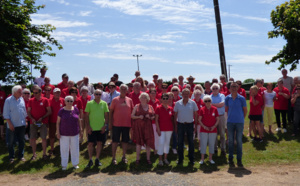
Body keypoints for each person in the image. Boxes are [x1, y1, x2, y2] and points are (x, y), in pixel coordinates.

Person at [109, 84, 134, 165]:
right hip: (116, 124)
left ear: (127, 90)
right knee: (115, 142)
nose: (123, 90)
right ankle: (113, 158)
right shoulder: (115, 100)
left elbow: (132, 111)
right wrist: (110, 123)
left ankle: (124, 156)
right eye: (122, 89)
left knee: (125, 141)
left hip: (126, 124)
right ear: (119, 90)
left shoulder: (129, 100)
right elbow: (111, 112)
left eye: (125, 89)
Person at [56, 95, 83, 170]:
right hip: (64, 133)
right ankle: (64, 165)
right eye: (68, 101)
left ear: (73, 102)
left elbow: (79, 120)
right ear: (65, 102)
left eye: (71, 101)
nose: (69, 102)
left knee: (75, 149)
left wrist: (81, 130)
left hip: (75, 133)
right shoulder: (61, 110)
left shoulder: (76, 109)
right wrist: (58, 132)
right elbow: (58, 122)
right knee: (64, 149)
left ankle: (75, 164)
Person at [225, 82, 247, 167]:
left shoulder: (242, 98)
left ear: (238, 88)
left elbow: (245, 110)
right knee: (230, 141)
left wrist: (241, 118)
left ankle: (239, 159)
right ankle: (230, 158)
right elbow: (226, 109)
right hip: (230, 122)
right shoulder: (227, 98)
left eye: (235, 86)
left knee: (239, 141)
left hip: (239, 122)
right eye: (232, 86)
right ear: (229, 88)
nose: (234, 88)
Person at [85, 89, 109, 167]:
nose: (98, 95)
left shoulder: (104, 103)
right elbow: (86, 116)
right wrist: (88, 127)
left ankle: (97, 159)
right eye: (96, 94)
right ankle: (90, 160)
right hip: (92, 128)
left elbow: (106, 115)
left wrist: (105, 125)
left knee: (99, 143)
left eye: (99, 94)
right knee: (90, 144)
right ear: (94, 95)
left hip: (101, 127)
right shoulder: (89, 103)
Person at [3, 85, 27, 163]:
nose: (21, 93)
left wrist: (25, 120)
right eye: (19, 92)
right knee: (11, 142)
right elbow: (5, 114)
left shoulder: (22, 99)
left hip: (21, 124)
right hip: (12, 125)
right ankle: (11, 157)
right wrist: (10, 124)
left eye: (21, 92)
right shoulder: (8, 100)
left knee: (22, 141)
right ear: (14, 92)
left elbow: (24, 111)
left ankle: (21, 156)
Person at [174, 88, 198, 165]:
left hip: (190, 124)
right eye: (184, 94)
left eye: (187, 94)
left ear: (189, 94)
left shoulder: (193, 103)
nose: (185, 95)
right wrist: (175, 126)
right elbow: (175, 115)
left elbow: (196, 115)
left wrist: (196, 125)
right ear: (182, 94)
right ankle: (180, 159)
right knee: (180, 142)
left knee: (191, 142)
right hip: (180, 124)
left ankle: (191, 159)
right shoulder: (177, 103)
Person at [27, 86, 51, 160]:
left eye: (36, 92)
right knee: (33, 138)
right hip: (33, 122)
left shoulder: (45, 100)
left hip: (43, 122)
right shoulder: (31, 100)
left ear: (40, 92)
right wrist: (32, 118)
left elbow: (49, 111)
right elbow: (28, 112)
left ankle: (44, 154)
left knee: (44, 138)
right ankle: (34, 154)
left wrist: (42, 118)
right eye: (33, 92)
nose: (34, 94)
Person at [131, 93, 155, 165]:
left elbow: (154, 116)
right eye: (142, 97)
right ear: (140, 98)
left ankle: (148, 159)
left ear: (147, 99)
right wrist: (138, 117)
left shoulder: (150, 107)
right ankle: (137, 159)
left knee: (148, 142)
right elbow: (132, 116)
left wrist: (150, 117)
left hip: (148, 127)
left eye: (145, 97)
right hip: (139, 127)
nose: (143, 98)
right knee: (138, 143)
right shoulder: (136, 106)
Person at [198, 95, 219, 165]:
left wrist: (214, 126)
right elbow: (199, 120)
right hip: (204, 130)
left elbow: (217, 119)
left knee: (212, 144)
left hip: (213, 130)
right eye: (206, 101)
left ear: (211, 101)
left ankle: (210, 159)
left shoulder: (215, 109)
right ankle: (202, 159)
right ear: (204, 102)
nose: (207, 102)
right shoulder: (202, 109)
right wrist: (204, 127)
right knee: (203, 144)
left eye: (209, 101)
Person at [155, 93, 175, 166]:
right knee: (161, 144)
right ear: (161, 99)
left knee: (167, 144)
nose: (165, 100)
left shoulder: (171, 108)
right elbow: (156, 119)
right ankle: (160, 159)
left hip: (169, 129)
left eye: (167, 98)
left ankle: (165, 158)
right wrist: (158, 129)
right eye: (164, 99)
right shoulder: (158, 108)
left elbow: (172, 119)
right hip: (161, 129)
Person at [210, 83, 226, 155]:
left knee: (222, 133)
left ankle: (223, 148)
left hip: (221, 116)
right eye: (213, 88)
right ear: (211, 89)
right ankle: (215, 148)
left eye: (216, 88)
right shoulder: (209, 97)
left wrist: (212, 105)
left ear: (219, 89)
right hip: (213, 118)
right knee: (214, 134)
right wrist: (217, 105)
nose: (215, 90)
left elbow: (222, 104)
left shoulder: (222, 95)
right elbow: (209, 106)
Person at [49, 88, 64, 155]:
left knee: (62, 135)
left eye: (58, 92)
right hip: (52, 121)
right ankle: (52, 149)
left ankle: (62, 148)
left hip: (61, 121)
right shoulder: (49, 100)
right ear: (53, 93)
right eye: (56, 92)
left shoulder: (63, 100)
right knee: (52, 136)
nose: (57, 94)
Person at [148, 88, 160, 154]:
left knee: (156, 136)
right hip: (149, 122)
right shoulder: (147, 101)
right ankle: (149, 148)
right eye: (152, 93)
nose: (153, 94)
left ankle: (155, 149)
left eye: (154, 93)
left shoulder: (158, 101)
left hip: (156, 122)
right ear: (149, 94)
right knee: (149, 136)